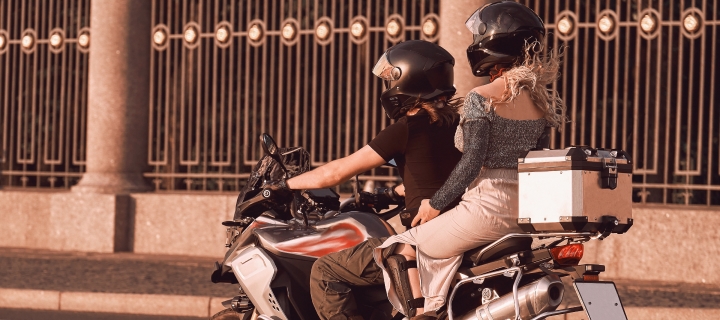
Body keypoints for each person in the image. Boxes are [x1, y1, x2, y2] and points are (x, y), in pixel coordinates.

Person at [372, 2, 567, 319]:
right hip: (522, 215)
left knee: (399, 246)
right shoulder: (539, 101)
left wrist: (435, 203)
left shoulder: (483, 96)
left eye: (479, 34)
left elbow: (473, 160)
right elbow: (535, 159)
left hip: (485, 208)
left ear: (494, 41)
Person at [274, 40, 464, 319]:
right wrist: (393, 194)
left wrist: (284, 185)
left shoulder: (407, 127)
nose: (388, 88)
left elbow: (338, 172)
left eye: (391, 80)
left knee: (325, 271)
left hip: (424, 237)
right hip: (456, 228)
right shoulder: (454, 122)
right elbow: (435, 173)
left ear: (408, 79)